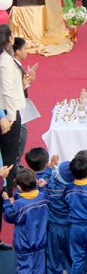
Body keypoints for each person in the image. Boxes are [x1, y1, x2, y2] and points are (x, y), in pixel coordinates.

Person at [1, 167, 48, 274]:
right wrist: (42, 188)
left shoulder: (19, 205)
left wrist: (6, 201)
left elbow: (9, 217)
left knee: (24, 268)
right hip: (40, 241)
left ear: (19, 187)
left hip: (24, 243)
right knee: (39, 268)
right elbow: (40, 193)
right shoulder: (42, 197)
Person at [0, 25, 26, 173]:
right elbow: (6, 90)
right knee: (9, 156)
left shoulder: (5, 57)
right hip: (8, 111)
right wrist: (10, 116)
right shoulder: (5, 61)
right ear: (9, 39)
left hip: (8, 110)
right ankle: (8, 191)